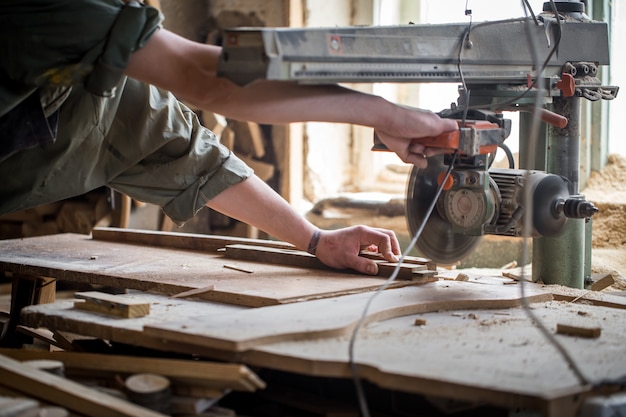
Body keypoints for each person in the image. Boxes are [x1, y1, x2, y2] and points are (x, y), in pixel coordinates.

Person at [0, 0, 458, 276]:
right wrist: (384, 114)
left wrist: (317, 240)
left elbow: (195, 159)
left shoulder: (105, 76)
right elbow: (206, 77)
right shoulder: (57, 12)